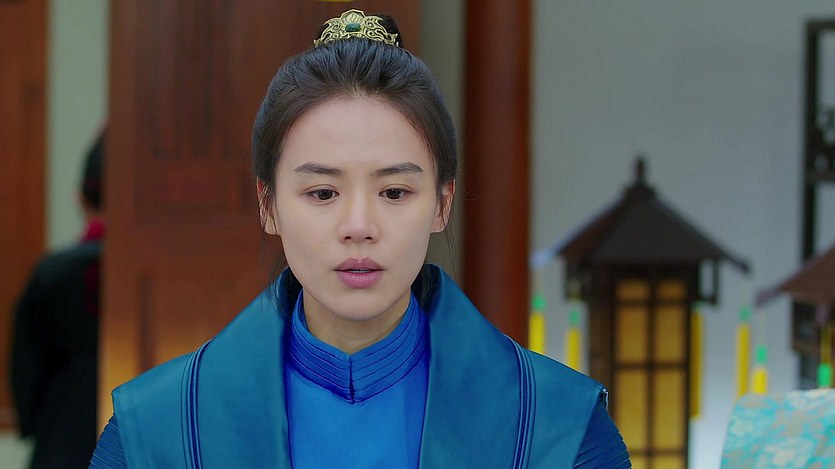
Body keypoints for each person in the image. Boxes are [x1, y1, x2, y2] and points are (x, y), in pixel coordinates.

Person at [89, 10, 630, 468]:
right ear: (268, 206)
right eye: (322, 193)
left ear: (441, 204)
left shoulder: (558, 427)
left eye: (394, 192)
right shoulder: (156, 432)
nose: (359, 225)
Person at [11, 130, 105, 469]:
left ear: (81, 199)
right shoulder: (165, 279)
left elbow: (26, 370)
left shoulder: (53, 274)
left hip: (62, 439)